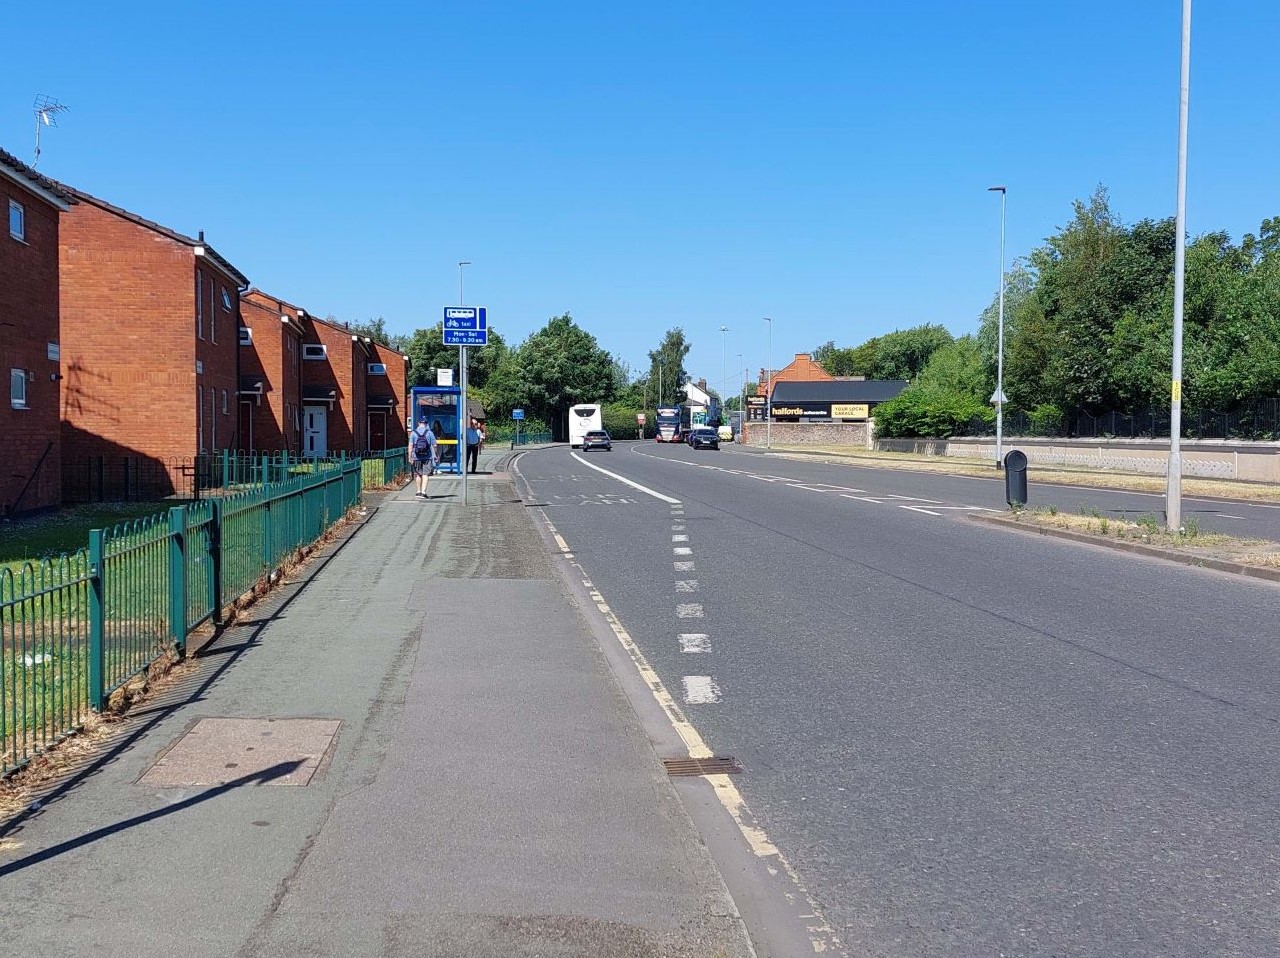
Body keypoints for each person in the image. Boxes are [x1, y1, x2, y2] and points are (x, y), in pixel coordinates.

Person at [409, 419, 438, 499]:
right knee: (425, 474)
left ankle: (418, 492)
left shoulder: (413, 433)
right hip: (427, 456)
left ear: (419, 423)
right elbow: (435, 445)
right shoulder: (429, 433)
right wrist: (436, 455)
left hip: (416, 456)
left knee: (418, 474)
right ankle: (423, 492)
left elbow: (410, 446)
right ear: (426, 424)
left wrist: (410, 457)